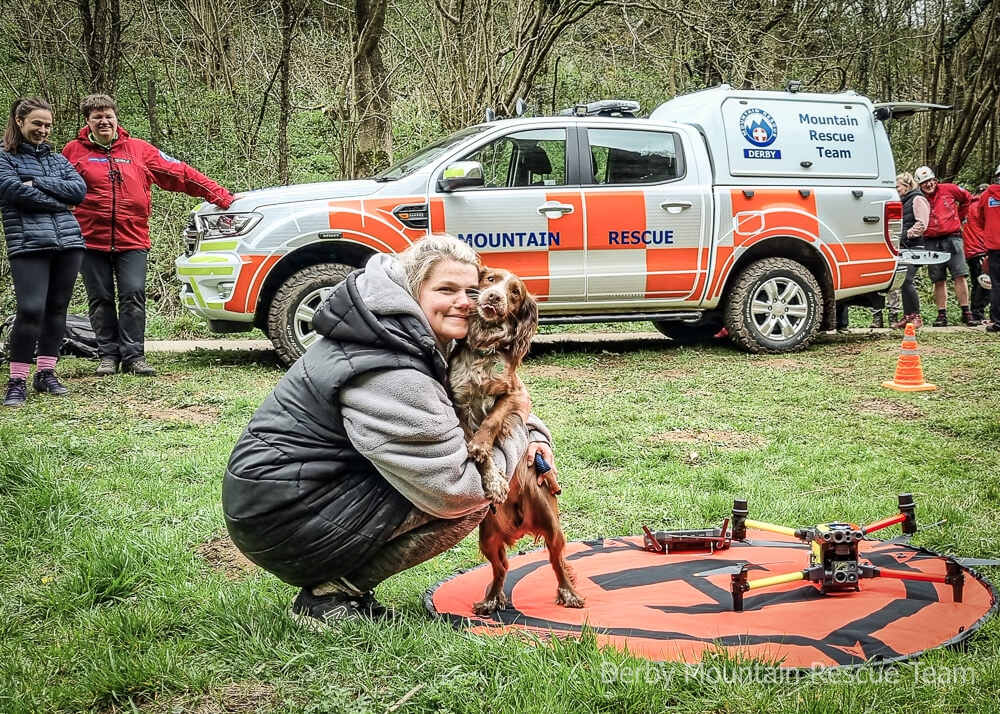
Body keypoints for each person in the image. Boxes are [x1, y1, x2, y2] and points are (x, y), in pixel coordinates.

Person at [222, 234, 556, 626]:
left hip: (292, 492)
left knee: (476, 478)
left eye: (470, 289)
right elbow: (456, 487)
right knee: (478, 494)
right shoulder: (391, 370)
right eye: (446, 289)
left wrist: (531, 433)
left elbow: (482, 398)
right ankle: (330, 597)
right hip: (280, 516)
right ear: (412, 289)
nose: (466, 302)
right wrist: (516, 430)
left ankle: (342, 584)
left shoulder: (398, 330)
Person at [62, 94, 235, 377]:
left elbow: (180, 174)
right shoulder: (73, 151)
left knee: (133, 294)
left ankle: (134, 357)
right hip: (90, 239)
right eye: (97, 117)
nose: (104, 121)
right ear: (87, 121)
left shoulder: (138, 149)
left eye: (109, 116)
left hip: (132, 239)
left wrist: (220, 195)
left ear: (116, 118)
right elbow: (58, 186)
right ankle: (108, 356)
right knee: (100, 297)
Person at [0, 98, 87, 407]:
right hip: (28, 244)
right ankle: (17, 381)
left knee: (57, 311)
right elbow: (13, 192)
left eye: (47, 125)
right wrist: (61, 204)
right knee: (31, 310)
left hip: (69, 244)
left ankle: (46, 374)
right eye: (37, 123)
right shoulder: (3, 158)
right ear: (20, 121)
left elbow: (79, 191)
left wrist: (36, 180)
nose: (43, 130)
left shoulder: (57, 160)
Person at [914, 166, 977, 327]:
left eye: (929, 181)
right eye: (923, 183)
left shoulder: (948, 189)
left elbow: (967, 198)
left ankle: (966, 312)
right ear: (919, 185)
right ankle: (942, 314)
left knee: (960, 274)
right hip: (931, 241)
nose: (928, 185)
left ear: (935, 180)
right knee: (938, 279)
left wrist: (959, 216)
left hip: (952, 237)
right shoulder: (919, 198)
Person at [890, 172, 931, 329]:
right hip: (904, 247)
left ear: (907, 186)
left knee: (907, 280)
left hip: (914, 247)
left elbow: (922, 224)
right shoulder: (903, 201)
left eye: (897, 186)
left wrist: (906, 235)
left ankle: (916, 316)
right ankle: (908, 316)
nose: (896, 189)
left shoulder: (917, 199)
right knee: (902, 282)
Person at [966, 165, 1000, 334]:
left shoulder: (987, 196)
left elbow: (980, 218)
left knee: (996, 284)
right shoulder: (985, 195)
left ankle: (997, 320)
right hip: (989, 246)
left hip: (994, 245)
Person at [963, 183, 990, 324]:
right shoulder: (981, 206)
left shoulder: (967, 206)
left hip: (970, 250)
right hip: (981, 248)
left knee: (977, 281)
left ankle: (975, 312)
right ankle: (978, 312)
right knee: (984, 282)